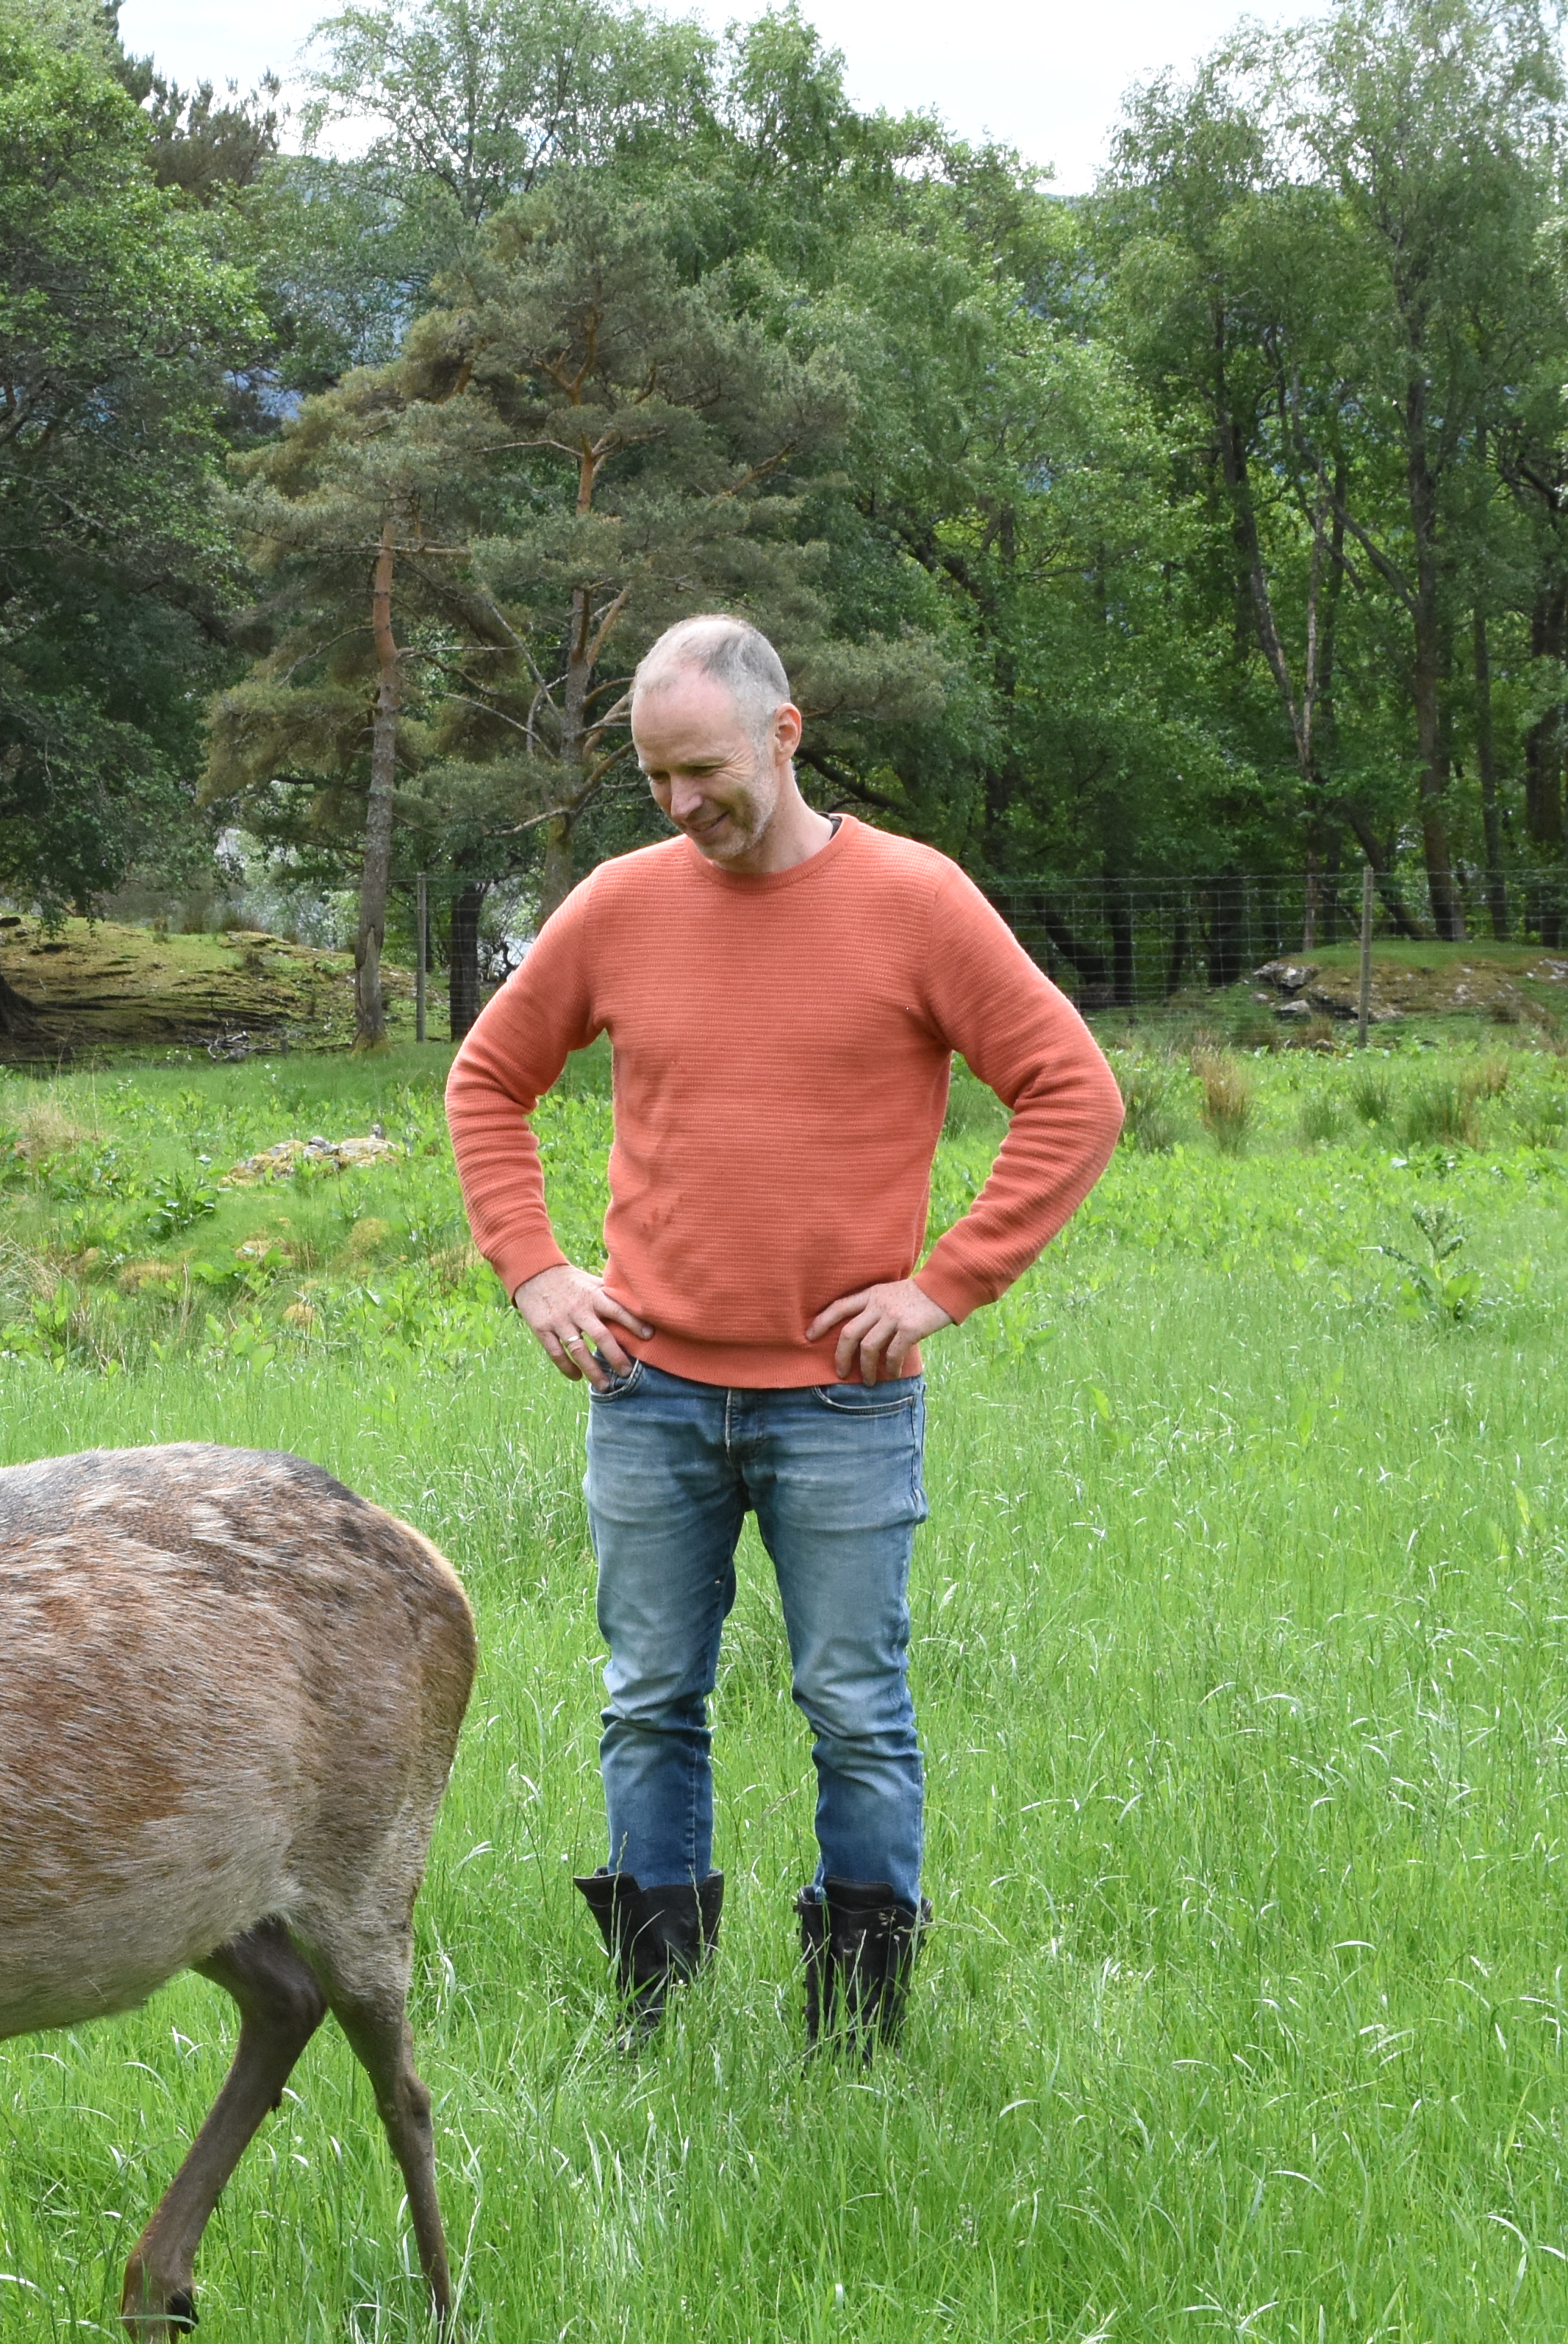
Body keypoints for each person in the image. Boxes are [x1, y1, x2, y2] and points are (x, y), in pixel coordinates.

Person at [443, 615, 1123, 2054]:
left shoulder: (917, 900)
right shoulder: (621, 906)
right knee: (647, 1700)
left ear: (784, 733)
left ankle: (856, 2030)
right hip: (650, 1390)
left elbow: (1074, 1090)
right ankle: (658, 2007)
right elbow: (487, 1078)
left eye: (702, 769)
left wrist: (946, 1284)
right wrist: (536, 1271)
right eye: (653, 779)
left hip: (845, 1408)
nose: (683, 805)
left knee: (855, 1706)